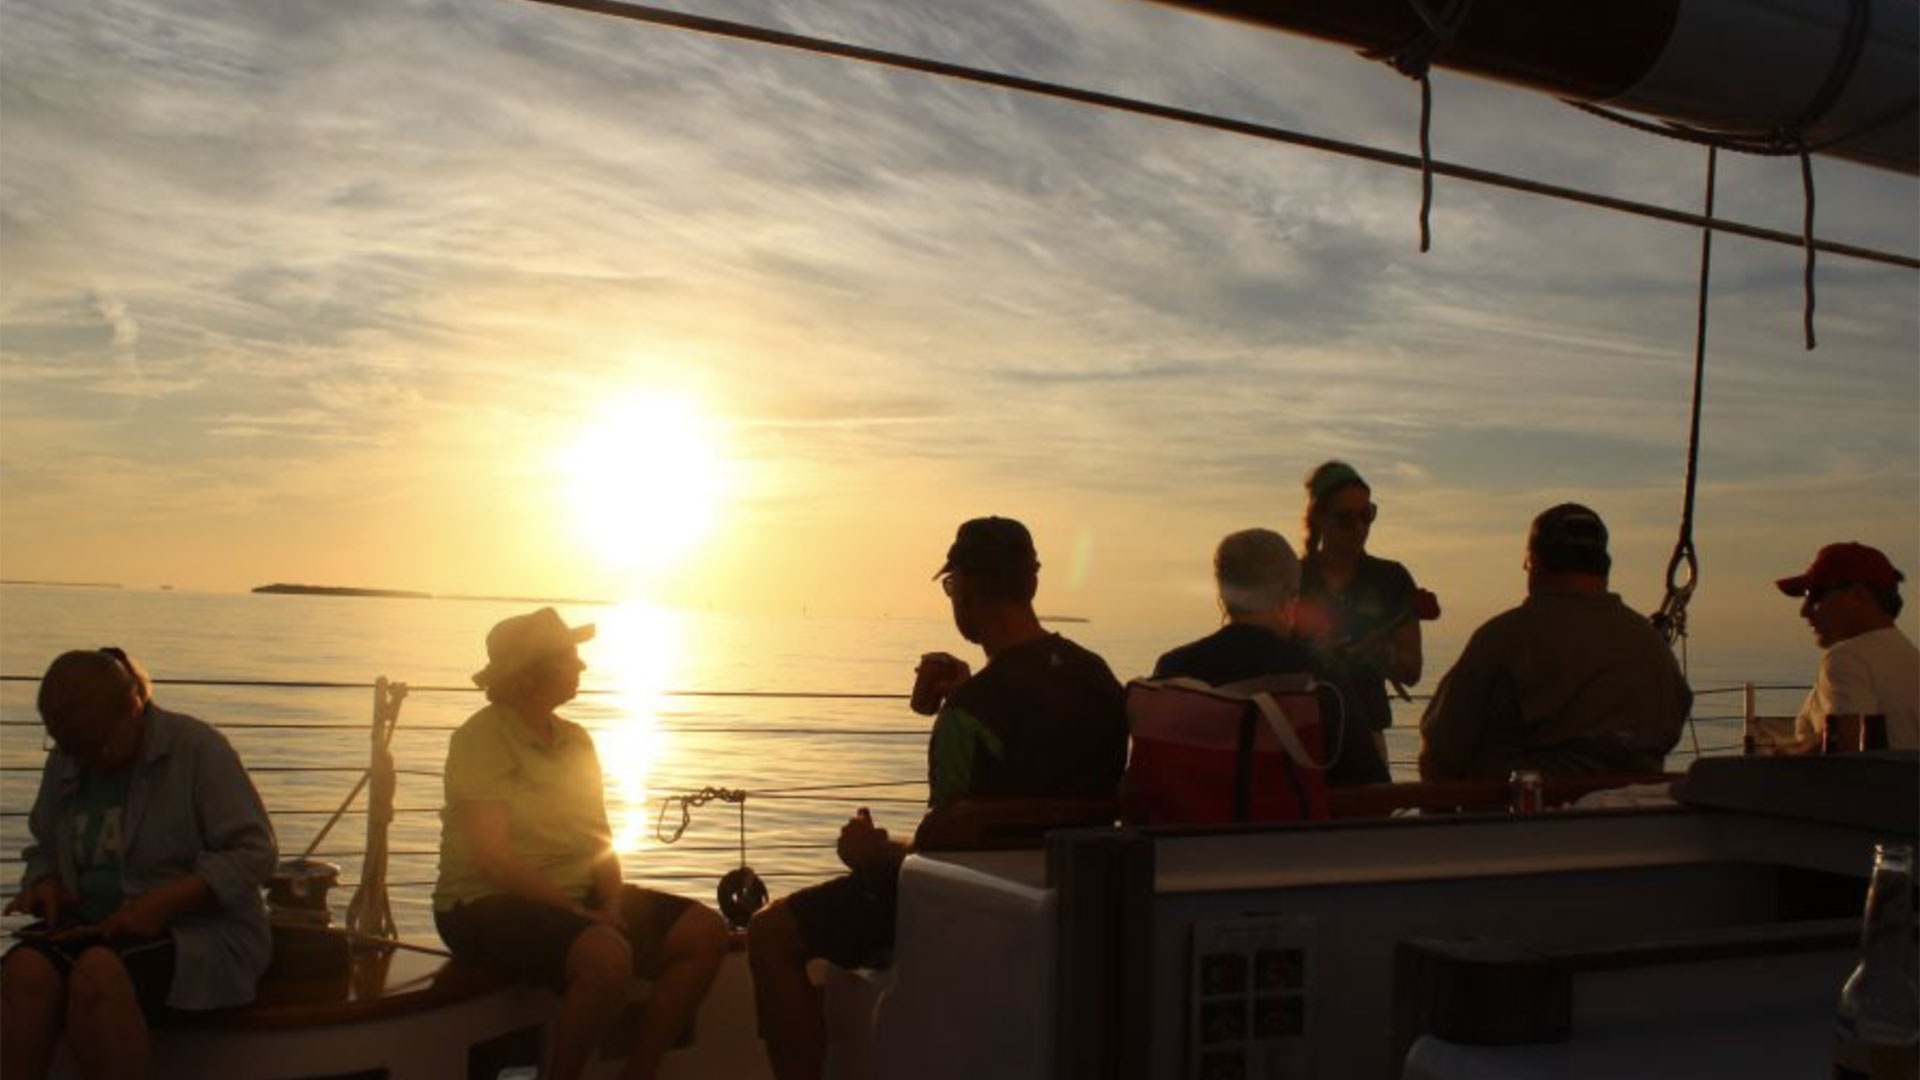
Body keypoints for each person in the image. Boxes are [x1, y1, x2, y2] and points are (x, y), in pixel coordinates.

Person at [747, 516, 1128, 1080]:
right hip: (1072, 906)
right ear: (1032, 583)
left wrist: (873, 853)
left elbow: (943, 857)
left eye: (951, 589)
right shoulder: (1099, 678)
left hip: (974, 912)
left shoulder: (971, 712)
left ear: (963, 590)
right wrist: (971, 691)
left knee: (770, 933)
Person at [432, 608, 728, 1080]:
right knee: (606, 957)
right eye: (567, 658)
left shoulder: (576, 740)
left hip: (573, 899)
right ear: (528, 677)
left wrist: (610, 899)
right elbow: (493, 857)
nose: (581, 667)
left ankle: (640, 1071)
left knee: (704, 932)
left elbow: (599, 837)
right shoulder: (481, 738)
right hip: (484, 904)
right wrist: (579, 916)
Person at [2, 648, 276, 1080]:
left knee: (98, 975)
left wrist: (163, 903)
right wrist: (47, 881)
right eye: (72, 748)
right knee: (23, 973)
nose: (86, 759)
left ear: (134, 708)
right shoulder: (72, 754)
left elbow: (254, 853)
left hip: (198, 932)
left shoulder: (196, 749)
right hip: (91, 926)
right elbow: (45, 845)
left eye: (97, 745)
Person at [1418, 503, 1692, 781]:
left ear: (1535, 562)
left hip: (1523, 818)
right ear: (1603, 566)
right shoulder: (1651, 645)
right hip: (1643, 817)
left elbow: (1440, 753)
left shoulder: (1503, 639)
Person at [1153, 527, 1390, 785]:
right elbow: (1372, 786)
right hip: (1295, 823)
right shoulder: (1320, 669)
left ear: (1223, 594)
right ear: (1288, 597)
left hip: (1198, 824)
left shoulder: (1175, 667)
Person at [1294, 461, 1431, 773]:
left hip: (1366, 733)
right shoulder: (1293, 578)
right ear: (1319, 517)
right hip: (1301, 735)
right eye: (1345, 519)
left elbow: (1412, 671)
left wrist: (1384, 654)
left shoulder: (1391, 578)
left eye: (1366, 515)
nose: (1359, 527)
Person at [1775, 542, 1918, 752]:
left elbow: (1850, 753)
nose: (1804, 611)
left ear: (1857, 595)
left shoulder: (1847, 658)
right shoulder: (1910, 657)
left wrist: (1787, 755)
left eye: (1813, 595)